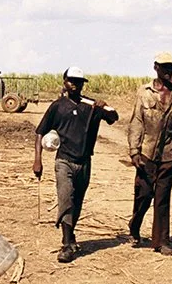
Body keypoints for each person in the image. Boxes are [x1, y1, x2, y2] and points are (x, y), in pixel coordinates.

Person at [33, 67, 119, 263]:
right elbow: (40, 132)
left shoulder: (91, 107)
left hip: (84, 162)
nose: (75, 84)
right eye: (71, 80)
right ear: (64, 81)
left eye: (79, 81)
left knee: (77, 202)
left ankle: (71, 236)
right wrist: (37, 159)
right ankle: (66, 244)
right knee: (65, 199)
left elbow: (114, 118)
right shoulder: (57, 106)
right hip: (64, 161)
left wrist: (105, 106)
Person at [127, 51, 172, 256]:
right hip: (146, 152)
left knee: (162, 199)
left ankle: (161, 241)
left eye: (170, 67)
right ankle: (134, 225)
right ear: (155, 67)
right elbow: (137, 121)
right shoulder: (144, 92)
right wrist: (134, 151)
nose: (168, 71)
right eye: (164, 67)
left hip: (169, 154)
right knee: (144, 195)